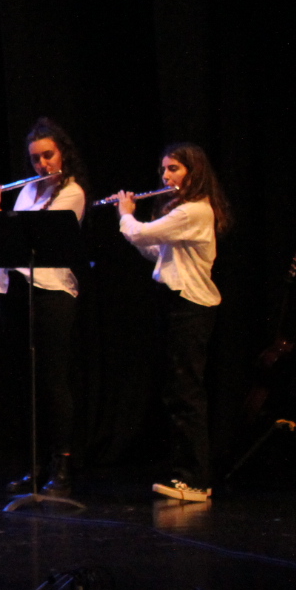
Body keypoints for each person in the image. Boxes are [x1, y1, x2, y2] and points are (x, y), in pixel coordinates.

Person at [0, 117, 87, 495]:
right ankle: (36, 466)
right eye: (36, 158)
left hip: (52, 293)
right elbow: (9, 243)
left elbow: (31, 238)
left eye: (48, 155)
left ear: (62, 154)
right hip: (16, 290)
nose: (42, 164)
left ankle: (63, 466)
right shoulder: (28, 190)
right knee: (27, 383)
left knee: (53, 381)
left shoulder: (72, 192)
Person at [118, 142, 229, 503]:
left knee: (186, 394)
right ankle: (187, 476)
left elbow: (139, 233)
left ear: (194, 173)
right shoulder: (186, 212)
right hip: (176, 303)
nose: (165, 176)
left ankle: (195, 480)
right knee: (177, 392)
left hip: (190, 307)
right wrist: (133, 228)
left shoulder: (194, 211)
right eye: (164, 169)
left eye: (174, 169)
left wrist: (126, 214)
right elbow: (155, 250)